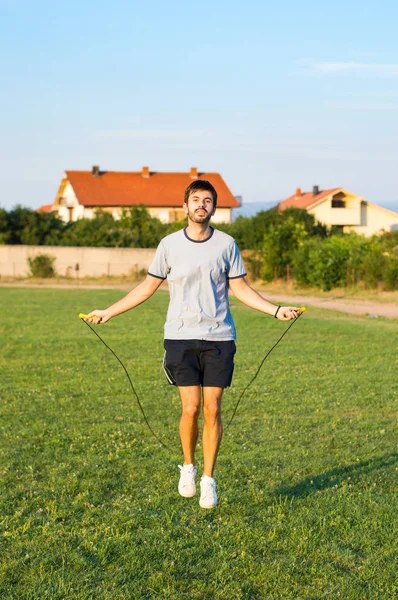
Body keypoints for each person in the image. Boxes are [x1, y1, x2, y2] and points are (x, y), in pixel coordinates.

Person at [85, 180, 300, 509]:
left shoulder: (227, 245)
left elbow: (240, 289)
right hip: (180, 338)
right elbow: (146, 288)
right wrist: (109, 312)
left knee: (213, 408)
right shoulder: (169, 245)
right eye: (196, 200)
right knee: (191, 408)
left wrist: (275, 310)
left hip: (219, 339)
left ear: (214, 208)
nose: (202, 205)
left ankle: (208, 480)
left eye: (208, 201)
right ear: (184, 207)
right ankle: (188, 466)